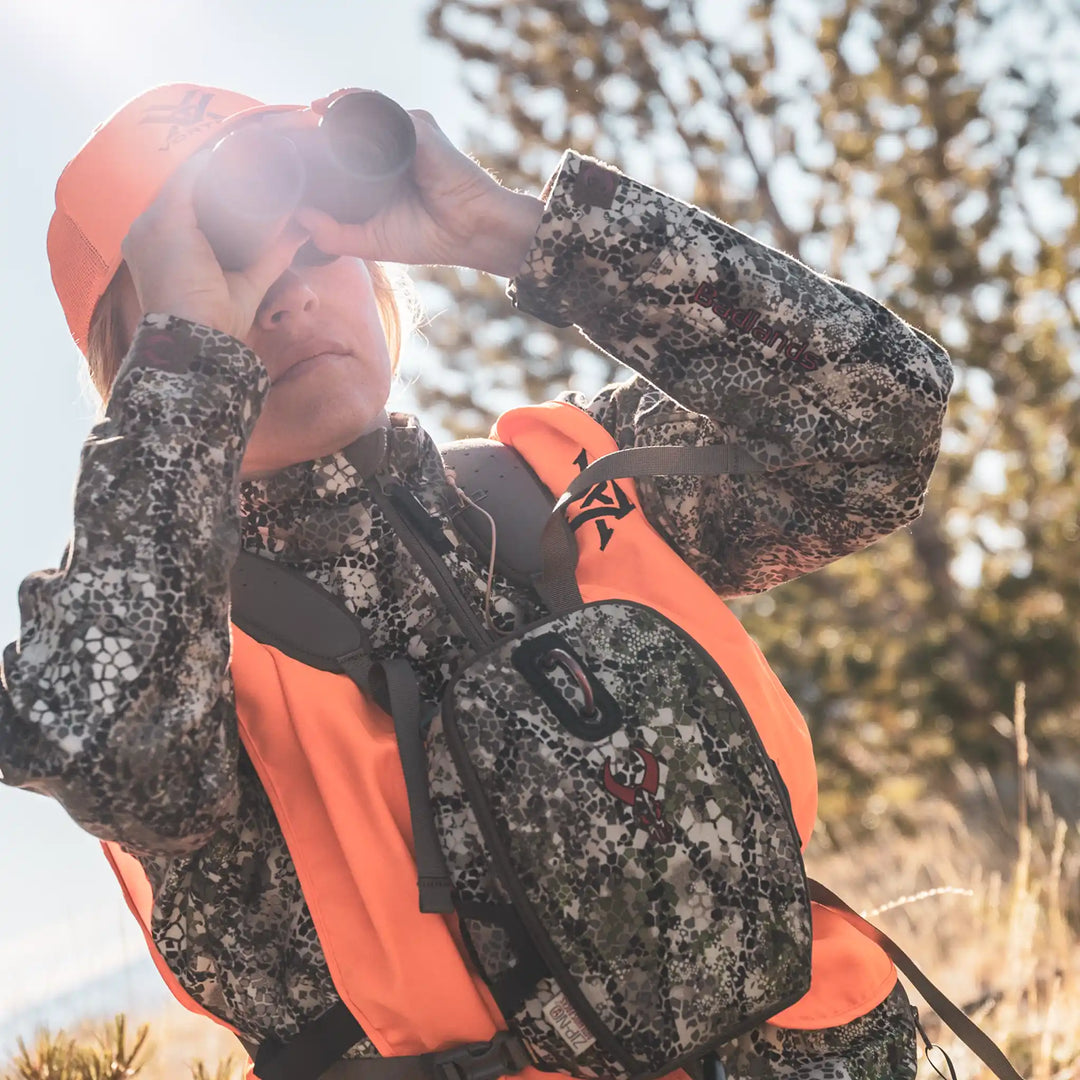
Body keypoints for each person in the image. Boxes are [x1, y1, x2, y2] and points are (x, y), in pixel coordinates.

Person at [0, 82, 953, 1080]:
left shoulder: (572, 469)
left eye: (317, 247)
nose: (287, 292)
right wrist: (188, 372)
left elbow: (878, 423)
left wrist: (515, 231)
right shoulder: (160, 646)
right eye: (224, 276)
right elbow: (99, 747)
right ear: (146, 361)